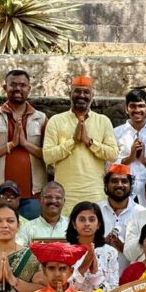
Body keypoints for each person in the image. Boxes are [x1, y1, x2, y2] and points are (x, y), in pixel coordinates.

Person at [42, 75, 119, 212]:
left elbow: (113, 155)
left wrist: (89, 142)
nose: (81, 95)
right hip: (65, 195)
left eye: (86, 92)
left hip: (95, 193)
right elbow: (48, 156)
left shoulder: (103, 121)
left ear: (92, 95)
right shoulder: (56, 121)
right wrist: (73, 142)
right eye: (77, 91)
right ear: (70, 94)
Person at [0, 69, 46, 220]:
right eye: (13, 85)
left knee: (31, 233)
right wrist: (11, 145)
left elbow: (49, 155)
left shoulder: (41, 119)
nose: (17, 89)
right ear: (5, 87)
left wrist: (25, 144)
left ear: (29, 88)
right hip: (0, 194)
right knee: (2, 231)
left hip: (33, 194)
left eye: (22, 85)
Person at [113, 87, 146, 201]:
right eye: (133, 106)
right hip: (123, 191)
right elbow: (108, 166)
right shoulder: (116, 133)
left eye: (141, 106)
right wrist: (129, 158)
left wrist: (144, 160)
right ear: (126, 108)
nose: (137, 110)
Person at [99, 164, 139, 277]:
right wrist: (103, 243)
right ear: (106, 185)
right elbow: (86, 245)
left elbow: (144, 250)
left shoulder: (141, 213)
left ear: (131, 186)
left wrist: (124, 248)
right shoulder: (95, 211)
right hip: (99, 279)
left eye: (124, 181)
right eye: (114, 181)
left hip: (131, 280)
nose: (119, 185)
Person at [17, 181, 68, 245]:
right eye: (48, 197)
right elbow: (18, 249)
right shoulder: (27, 228)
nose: (53, 201)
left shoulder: (72, 227)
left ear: (64, 201)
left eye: (58, 198)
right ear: (40, 200)